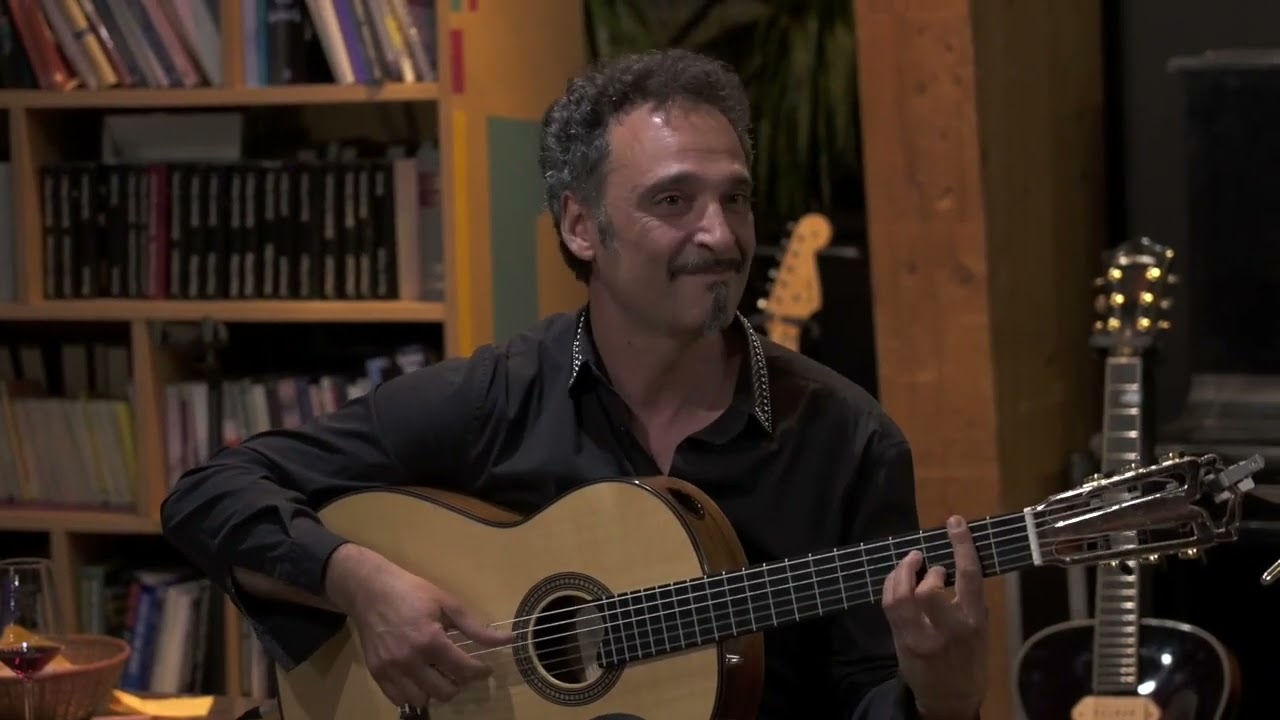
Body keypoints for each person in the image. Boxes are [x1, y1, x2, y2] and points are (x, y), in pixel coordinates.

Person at [160, 48, 987, 720]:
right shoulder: (500, 396)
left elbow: (870, 696)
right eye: (674, 200)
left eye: (735, 199)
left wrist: (942, 696)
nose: (722, 235)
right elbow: (210, 493)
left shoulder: (848, 440)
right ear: (581, 226)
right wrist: (361, 581)